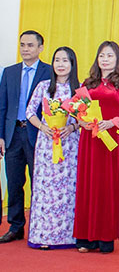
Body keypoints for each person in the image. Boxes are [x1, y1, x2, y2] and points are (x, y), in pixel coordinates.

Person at [73, 41, 119, 253]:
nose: (105, 59)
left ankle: (105, 237)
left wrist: (113, 122)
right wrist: (81, 122)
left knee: (107, 186)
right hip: (89, 139)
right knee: (87, 184)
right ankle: (85, 236)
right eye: (101, 55)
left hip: (110, 141)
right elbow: (78, 110)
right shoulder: (87, 83)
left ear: (117, 59)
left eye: (109, 55)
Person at [25, 46, 80, 249]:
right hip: (46, 145)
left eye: (65, 60)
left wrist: (72, 127)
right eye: (57, 60)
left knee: (68, 189)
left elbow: (85, 118)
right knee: (45, 189)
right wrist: (43, 127)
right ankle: (43, 236)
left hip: (70, 145)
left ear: (72, 64)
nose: (60, 64)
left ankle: (68, 236)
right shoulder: (44, 86)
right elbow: (30, 112)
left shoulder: (79, 89)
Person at [0, 30, 51, 243]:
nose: (25, 49)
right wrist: (1, 136)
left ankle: (40, 226)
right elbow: (2, 106)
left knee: (39, 183)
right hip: (13, 134)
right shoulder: (9, 72)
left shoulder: (49, 71)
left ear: (40, 48)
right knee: (14, 183)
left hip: (38, 135)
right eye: (22, 45)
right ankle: (16, 226)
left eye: (30, 45)